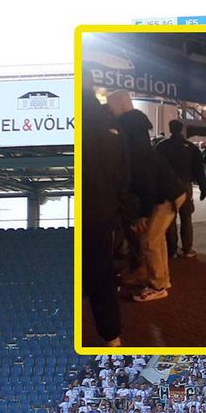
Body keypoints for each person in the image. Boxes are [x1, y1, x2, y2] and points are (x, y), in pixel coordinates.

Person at [109, 91, 186, 302]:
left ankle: (158, 285)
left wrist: (142, 213)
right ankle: (162, 279)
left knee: (149, 242)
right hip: (170, 191)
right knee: (156, 239)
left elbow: (145, 180)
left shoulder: (132, 141)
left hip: (166, 195)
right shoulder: (138, 131)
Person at [80, 79, 128, 346]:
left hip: (83, 211)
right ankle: (112, 336)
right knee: (102, 274)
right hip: (103, 214)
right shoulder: (113, 129)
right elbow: (124, 176)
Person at [155, 120, 206, 259]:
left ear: (170, 129)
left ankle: (172, 250)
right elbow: (198, 170)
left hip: (167, 185)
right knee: (186, 217)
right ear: (181, 129)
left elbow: (155, 167)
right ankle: (187, 248)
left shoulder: (162, 146)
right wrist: (203, 188)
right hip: (185, 185)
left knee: (169, 218)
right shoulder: (190, 147)